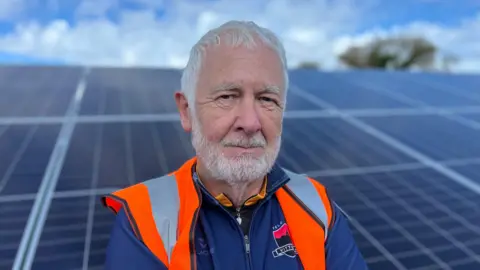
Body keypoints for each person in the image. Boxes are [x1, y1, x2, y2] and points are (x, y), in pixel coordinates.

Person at [102, 20, 369, 270]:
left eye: (267, 99)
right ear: (187, 111)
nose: (251, 122)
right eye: (227, 96)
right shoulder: (145, 218)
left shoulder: (316, 204)